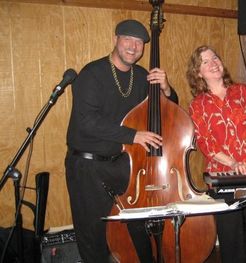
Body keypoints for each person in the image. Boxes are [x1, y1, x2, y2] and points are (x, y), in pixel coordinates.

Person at [65, 19, 178, 263]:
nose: (133, 46)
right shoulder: (91, 73)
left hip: (121, 164)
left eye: (139, 42)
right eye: (128, 39)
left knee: (138, 222)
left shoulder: (141, 76)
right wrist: (133, 135)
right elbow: (87, 122)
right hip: (87, 165)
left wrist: (167, 89)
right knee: (92, 234)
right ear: (116, 39)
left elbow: (168, 111)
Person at [186, 45, 246, 263]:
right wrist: (233, 162)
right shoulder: (198, 105)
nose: (213, 63)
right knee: (230, 235)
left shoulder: (243, 92)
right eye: (205, 61)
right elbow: (206, 142)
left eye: (215, 58)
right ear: (198, 72)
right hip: (223, 175)